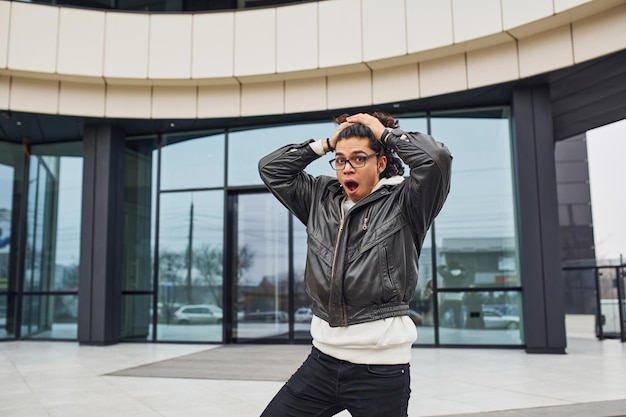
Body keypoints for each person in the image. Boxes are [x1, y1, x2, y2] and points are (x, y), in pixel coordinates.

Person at [258, 112, 452, 417]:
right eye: (340, 159)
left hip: (381, 370)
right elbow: (271, 169)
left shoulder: (406, 202)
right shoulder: (319, 199)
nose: (347, 168)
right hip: (322, 360)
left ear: (381, 163)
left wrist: (384, 134)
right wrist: (326, 143)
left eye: (359, 158)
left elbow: (436, 159)